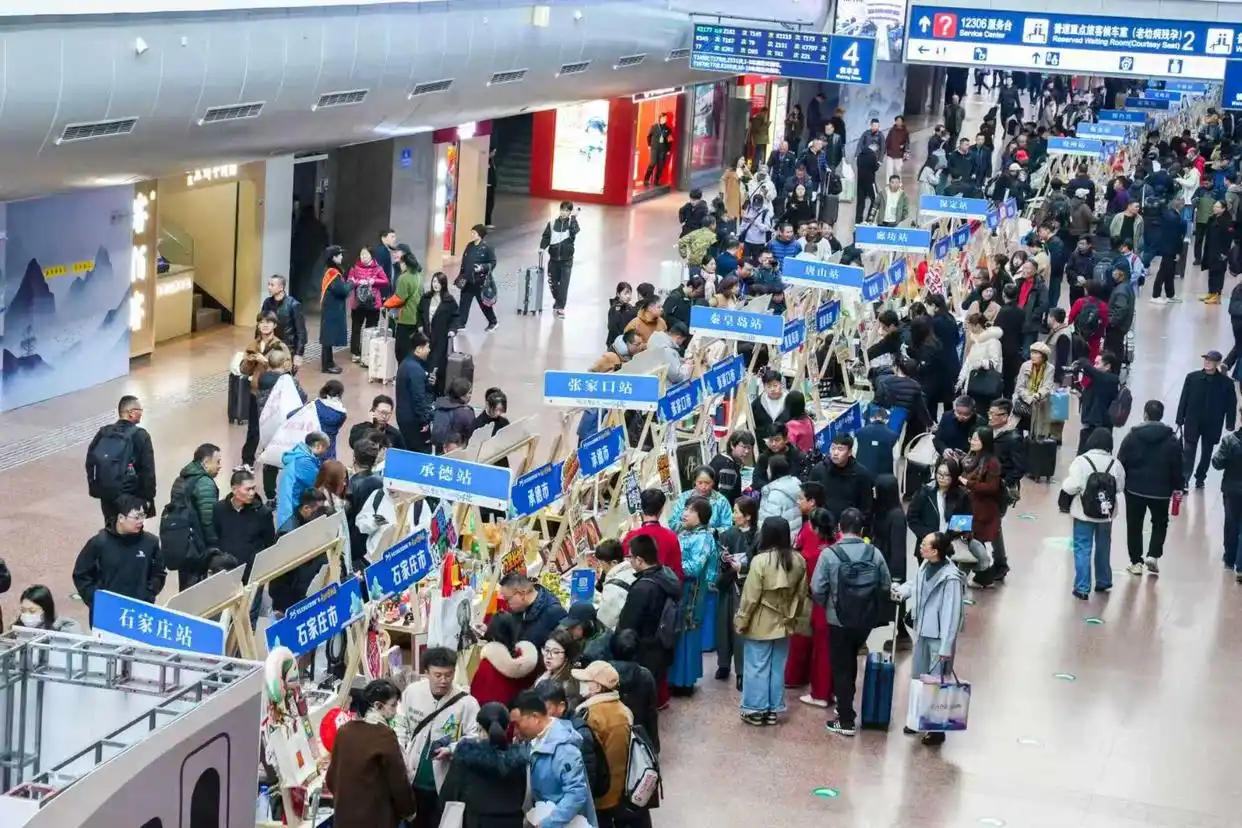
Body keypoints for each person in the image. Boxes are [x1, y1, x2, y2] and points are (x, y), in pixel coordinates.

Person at [811, 507, 891, 737]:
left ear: (840, 528)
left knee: (841, 668)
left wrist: (829, 605)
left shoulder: (829, 554)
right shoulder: (874, 553)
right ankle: (845, 706)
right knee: (851, 661)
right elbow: (885, 585)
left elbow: (817, 588)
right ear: (862, 529)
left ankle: (845, 719)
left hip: (838, 620)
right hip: (865, 621)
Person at [892, 532, 965, 746]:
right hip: (922, 632)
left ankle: (936, 729)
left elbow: (952, 614)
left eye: (925, 544)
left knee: (936, 682)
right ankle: (916, 720)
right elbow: (916, 585)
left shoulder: (950, 579)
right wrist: (902, 591)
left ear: (935, 551)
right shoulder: (926, 566)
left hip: (938, 639)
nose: (921, 547)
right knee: (918, 678)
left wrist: (946, 647)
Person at [394, 647, 481, 828]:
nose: (443, 680)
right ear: (426, 672)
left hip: (445, 782)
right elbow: (400, 723)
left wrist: (452, 749)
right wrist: (400, 750)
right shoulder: (412, 692)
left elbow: (476, 736)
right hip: (413, 778)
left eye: (448, 675)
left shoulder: (467, 703)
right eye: (438, 675)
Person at [734, 515, 808, 726]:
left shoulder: (760, 561)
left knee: (756, 664)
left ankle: (756, 709)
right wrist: (794, 618)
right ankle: (774, 708)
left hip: (760, 619)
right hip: (785, 620)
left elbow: (750, 597)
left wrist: (741, 620)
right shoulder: (798, 560)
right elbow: (801, 595)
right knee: (777, 666)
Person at [325, 679, 416, 828]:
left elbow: (331, 778)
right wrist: (409, 811)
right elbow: (398, 782)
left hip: (344, 818)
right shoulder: (384, 736)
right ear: (378, 706)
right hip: (375, 819)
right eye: (393, 705)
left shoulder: (344, 731)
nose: (395, 711)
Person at [511, 688, 599, 828]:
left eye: (517, 723)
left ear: (534, 717)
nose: (515, 730)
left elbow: (576, 794)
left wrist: (548, 823)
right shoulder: (532, 742)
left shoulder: (565, 748)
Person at [72, 494, 166, 622]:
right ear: (121, 518)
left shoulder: (150, 543)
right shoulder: (99, 543)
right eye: (136, 517)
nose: (141, 521)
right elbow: (81, 574)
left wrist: (148, 595)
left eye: (143, 516)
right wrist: (97, 600)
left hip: (138, 613)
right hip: (106, 614)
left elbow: (159, 573)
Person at [616, 534, 683, 710]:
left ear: (639, 560)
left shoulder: (642, 587)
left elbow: (628, 624)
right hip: (662, 643)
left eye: (630, 557)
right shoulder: (666, 575)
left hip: (645, 649)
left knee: (641, 702)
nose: (629, 561)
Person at [1118, 400, 1183, 576]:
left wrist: (1122, 483)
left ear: (1145, 414)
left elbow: (1121, 460)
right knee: (1160, 523)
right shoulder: (1172, 439)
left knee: (1134, 524)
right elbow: (1177, 466)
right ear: (1161, 415)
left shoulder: (1132, 436)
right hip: (1161, 491)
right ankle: (1153, 555)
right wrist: (1178, 487)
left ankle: (1136, 562)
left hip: (1135, 489)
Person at [438, 701, 529, 828]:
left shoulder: (466, 756)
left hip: (475, 822)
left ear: (479, 728)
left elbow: (448, 794)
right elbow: (523, 794)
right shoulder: (518, 759)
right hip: (512, 822)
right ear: (507, 727)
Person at [1061, 427, 1126, 600]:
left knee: (1083, 547)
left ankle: (1082, 587)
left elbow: (1071, 486)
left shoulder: (1081, 461)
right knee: (1104, 546)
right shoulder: (1115, 464)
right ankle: (1103, 580)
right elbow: (1120, 487)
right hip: (1106, 513)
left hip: (1084, 512)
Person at [572, 661, 638, 825]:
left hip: (602, 793)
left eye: (587, 681)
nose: (582, 684)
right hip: (620, 788)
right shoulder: (623, 709)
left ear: (598, 687)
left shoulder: (590, 714)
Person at [668, 497, 718, 695]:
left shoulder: (705, 538)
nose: (685, 514)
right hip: (680, 590)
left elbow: (695, 568)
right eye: (685, 509)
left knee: (687, 634)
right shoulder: (684, 533)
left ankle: (684, 681)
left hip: (693, 592)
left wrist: (672, 567)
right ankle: (676, 679)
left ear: (701, 516)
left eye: (690, 510)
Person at [786, 501, 834, 706]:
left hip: (818, 603)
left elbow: (814, 585)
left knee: (819, 649)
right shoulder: (838, 544)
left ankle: (820, 694)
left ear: (814, 528)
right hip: (840, 606)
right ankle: (832, 691)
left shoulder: (815, 555)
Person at [86, 395, 157, 522]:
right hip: (132, 496)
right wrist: (148, 499)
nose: (141, 413)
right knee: (132, 530)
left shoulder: (104, 432)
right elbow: (148, 471)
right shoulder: (141, 435)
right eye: (139, 410)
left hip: (107, 495)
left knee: (111, 526)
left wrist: (95, 488)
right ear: (131, 412)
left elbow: (91, 461)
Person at [1176, 350, 1238, 490]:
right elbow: (1184, 398)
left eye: (1211, 360)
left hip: (1213, 424)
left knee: (1207, 453)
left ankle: (1200, 477)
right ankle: (1185, 478)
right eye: (1206, 359)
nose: (1207, 362)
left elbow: (1231, 404)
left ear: (1217, 363)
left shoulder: (1226, 383)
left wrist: (1230, 423)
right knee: (1188, 452)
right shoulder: (1192, 378)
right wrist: (1180, 418)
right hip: (1193, 421)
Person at [715, 496, 758, 687]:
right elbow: (719, 562)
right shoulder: (727, 535)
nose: (733, 516)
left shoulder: (758, 536)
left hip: (747, 587)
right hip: (728, 584)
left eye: (736, 512)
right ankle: (723, 663)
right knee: (723, 626)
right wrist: (724, 561)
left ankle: (741, 671)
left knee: (740, 629)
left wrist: (742, 567)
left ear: (748, 516)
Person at [167, 443, 222, 590]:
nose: (220, 466)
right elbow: (208, 519)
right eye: (217, 462)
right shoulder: (204, 483)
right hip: (198, 544)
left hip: (182, 540)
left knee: (186, 585)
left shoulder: (181, 478)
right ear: (206, 462)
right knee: (199, 586)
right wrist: (214, 545)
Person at [213, 466, 275, 584]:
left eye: (253, 488)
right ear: (234, 489)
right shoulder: (219, 509)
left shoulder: (262, 513)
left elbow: (269, 542)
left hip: (253, 573)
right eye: (248, 489)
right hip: (226, 572)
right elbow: (215, 536)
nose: (252, 493)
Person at [960, 427, 1004, 587]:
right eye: (972, 438)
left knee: (975, 541)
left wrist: (968, 483)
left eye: (976, 439)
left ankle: (981, 574)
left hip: (983, 510)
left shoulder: (992, 463)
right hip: (969, 506)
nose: (972, 442)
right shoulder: (971, 457)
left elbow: (992, 487)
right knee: (972, 541)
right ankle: (982, 576)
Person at [471, 612, 539, 708]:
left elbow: (476, 694)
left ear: (492, 633)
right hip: (519, 712)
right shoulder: (527, 660)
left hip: (493, 713)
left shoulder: (488, 662)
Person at [810, 434, 875, 531]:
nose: (835, 453)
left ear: (849, 452)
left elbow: (866, 506)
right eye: (833, 448)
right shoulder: (819, 470)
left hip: (849, 529)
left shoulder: (861, 474)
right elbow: (811, 498)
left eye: (840, 449)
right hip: (823, 527)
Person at [907, 456, 971, 552]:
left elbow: (964, 520)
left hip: (951, 545)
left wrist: (949, 536)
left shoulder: (961, 496)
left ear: (954, 476)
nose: (942, 478)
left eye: (946, 475)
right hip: (928, 545)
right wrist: (928, 536)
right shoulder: (925, 492)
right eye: (939, 473)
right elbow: (912, 518)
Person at [622, 489, 684, 581]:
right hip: (666, 585)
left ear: (641, 507)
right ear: (661, 509)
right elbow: (677, 571)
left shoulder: (630, 537)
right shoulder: (671, 537)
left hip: (640, 585)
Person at [499, 571, 569, 651]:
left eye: (507, 600)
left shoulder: (554, 612)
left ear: (522, 594)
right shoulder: (518, 610)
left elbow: (563, 650)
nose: (506, 604)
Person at [276, 431, 328, 527]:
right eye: (326, 448)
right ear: (318, 446)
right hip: (292, 511)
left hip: (289, 505)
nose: (326, 452)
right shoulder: (304, 462)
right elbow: (319, 486)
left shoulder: (299, 456)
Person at [418, 272, 459, 396]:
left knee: (437, 364)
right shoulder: (426, 298)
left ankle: (438, 391)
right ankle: (426, 390)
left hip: (441, 338)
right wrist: (419, 325)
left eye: (439, 282)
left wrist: (452, 330)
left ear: (443, 284)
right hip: (426, 337)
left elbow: (456, 317)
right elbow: (419, 313)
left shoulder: (449, 300)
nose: (436, 284)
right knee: (426, 362)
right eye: (434, 281)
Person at [1213, 411, 1242, 579]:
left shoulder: (1230, 441)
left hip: (1232, 489)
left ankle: (1230, 558)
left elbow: (1217, 463)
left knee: (1231, 523)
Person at [454, 224, 499, 332]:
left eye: (474, 233)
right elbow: (464, 262)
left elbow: (493, 263)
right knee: (464, 303)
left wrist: (482, 267)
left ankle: (493, 322)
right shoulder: (469, 246)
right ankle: (461, 323)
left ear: (480, 235)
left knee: (484, 304)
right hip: (468, 280)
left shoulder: (487, 248)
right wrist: (461, 276)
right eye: (472, 232)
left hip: (480, 282)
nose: (472, 234)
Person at [1074, 354, 1121, 456]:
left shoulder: (1111, 379)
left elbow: (1091, 371)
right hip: (1090, 425)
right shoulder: (1099, 380)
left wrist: (1083, 361)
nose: (1094, 366)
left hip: (1100, 427)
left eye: (1097, 363)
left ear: (1107, 366)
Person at [540, 200, 581, 318]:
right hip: (553, 260)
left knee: (564, 284)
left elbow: (574, 232)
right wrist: (542, 247)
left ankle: (561, 307)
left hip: (567, 261)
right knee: (553, 283)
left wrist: (574, 218)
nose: (564, 212)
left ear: (570, 212)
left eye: (567, 211)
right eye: (562, 210)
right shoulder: (552, 223)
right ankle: (558, 300)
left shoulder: (572, 223)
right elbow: (546, 236)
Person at [396, 332, 436, 452]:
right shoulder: (415, 369)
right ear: (418, 349)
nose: (429, 350)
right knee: (422, 451)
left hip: (404, 416)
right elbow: (419, 397)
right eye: (427, 347)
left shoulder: (407, 363)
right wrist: (424, 420)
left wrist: (427, 383)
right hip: (413, 420)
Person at [957, 313, 1004, 412]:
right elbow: (969, 361)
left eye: (971, 326)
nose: (970, 329)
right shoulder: (977, 340)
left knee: (982, 412)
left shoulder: (993, 341)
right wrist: (961, 380)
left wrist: (980, 363)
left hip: (985, 384)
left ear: (978, 325)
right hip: (973, 383)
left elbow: (994, 363)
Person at [261, 275, 308, 371]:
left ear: (281, 287)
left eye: (272, 285)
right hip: (270, 347)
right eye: (268, 284)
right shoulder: (267, 303)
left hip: (288, 349)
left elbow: (301, 332)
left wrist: (299, 354)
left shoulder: (293, 305)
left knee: (284, 376)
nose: (269, 287)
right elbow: (261, 324)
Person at [384, 251, 424, 364]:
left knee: (401, 351)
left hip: (405, 318)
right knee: (412, 348)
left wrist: (386, 304)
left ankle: (403, 370)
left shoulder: (404, 278)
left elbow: (399, 298)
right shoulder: (419, 275)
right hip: (416, 317)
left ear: (404, 264)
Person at [315, 245, 349, 373]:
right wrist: (352, 283)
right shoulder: (332, 273)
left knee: (328, 337)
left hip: (330, 308)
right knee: (327, 338)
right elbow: (343, 290)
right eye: (340, 254)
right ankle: (327, 365)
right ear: (333, 257)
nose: (342, 256)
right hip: (331, 310)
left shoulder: (330, 270)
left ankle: (329, 362)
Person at [1014, 341, 1055, 437]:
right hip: (1024, 399)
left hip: (1040, 400)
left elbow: (1047, 386)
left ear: (1043, 356)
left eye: (1036, 353)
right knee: (1018, 426)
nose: (1032, 355)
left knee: (1038, 429)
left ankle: (1037, 438)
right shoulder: (1025, 366)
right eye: (1032, 353)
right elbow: (1019, 387)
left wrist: (1038, 395)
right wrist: (1029, 398)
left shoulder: (1050, 368)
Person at [595, 539, 637, 629]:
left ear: (614, 562)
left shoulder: (612, 588)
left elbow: (606, 621)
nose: (601, 567)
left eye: (602, 563)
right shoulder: (634, 570)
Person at [758, 454, 803, 539]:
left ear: (774, 470)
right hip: (796, 536)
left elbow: (769, 523)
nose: (767, 470)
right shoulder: (797, 485)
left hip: (778, 540)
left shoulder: (774, 494)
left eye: (768, 468)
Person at [12, 584, 83, 633]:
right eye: (23, 610)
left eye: (32, 611)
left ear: (46, 609)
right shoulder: (16, 631)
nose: (27, 615)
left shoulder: (66, 628)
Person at [853, 406, 899, 479]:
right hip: (883, 477)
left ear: (871, 419)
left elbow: (854, 453)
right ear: (887, 420)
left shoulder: (859, 432)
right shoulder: (893, 436)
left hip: (862, 475)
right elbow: (896, 457)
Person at [709, 430, 754, 505]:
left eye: (749, 448)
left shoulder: (720, 456)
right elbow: (724, 500)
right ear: (732, 445)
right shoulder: (728, 468)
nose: (747, 451)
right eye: (744, 447)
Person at [1202, 200, 1233, 304]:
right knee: (1211, 271)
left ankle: (1217, 295)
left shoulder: (1227, 221)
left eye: (1217, 207)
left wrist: (1224, 253)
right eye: (1214, 206)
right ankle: (1211, 292)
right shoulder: (1212, 219)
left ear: (1223, 209)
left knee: (1218, 273)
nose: (1214, 208)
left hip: (1221, 252)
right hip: (1211, 249)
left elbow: (1228, 239)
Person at [315, 380, 349, 459]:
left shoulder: (314, 404)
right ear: (339, 394)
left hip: (314, 443)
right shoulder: (341, 414)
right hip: (329, 446)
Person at [643, 112, 672, 186]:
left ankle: (657, 181)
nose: (665, 119)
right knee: (652, 163)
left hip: (663, 150)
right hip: (655, 148)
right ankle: (646, 179)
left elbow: (669, 140)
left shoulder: (668, 129)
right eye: (663, 118)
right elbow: (649, 136)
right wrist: (649, 145)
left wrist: (668, 150)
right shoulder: (654, 126)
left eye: (666, 118)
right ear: (660, 118)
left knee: (661, 166)